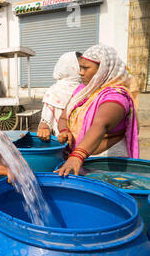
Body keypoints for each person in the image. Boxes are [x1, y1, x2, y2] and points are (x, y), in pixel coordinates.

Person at [56, 44, 139, 176]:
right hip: (80, 159)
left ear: (103, 70)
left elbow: (101, 124)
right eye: (80, 67)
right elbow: (64, 117)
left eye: (86, 68)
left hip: (106, 162)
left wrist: (77, 155)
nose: (80, 72)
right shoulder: (82, 91)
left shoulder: (116, 95)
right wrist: (65, 131)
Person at [37, 51, 82, 141]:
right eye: (80, 67)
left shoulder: (86, 88)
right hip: (64, 140)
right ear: (70, 68)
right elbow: (45, 122)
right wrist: (44, 129)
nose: (82, 71)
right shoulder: (54, 92)